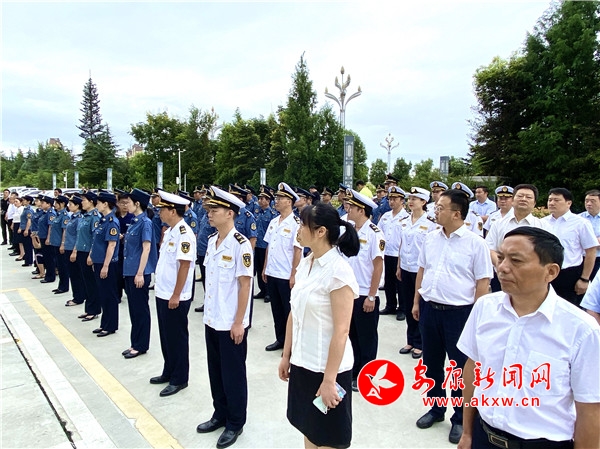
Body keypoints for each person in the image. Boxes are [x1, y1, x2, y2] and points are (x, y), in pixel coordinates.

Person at [457, 227, 600, 449]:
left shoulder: (581, 330)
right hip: (484, 436)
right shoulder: (485, 307)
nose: (502, 268)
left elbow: (589, 409)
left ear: (550, 272)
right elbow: (472, 369)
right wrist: (467, 432)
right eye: (501, 258)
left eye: (516, 261)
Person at [412, 188, 493, 445]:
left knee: (459, 368)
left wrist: (477, 318)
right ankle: (436, 408)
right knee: (431, 363)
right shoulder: (431, 238)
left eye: (440, 208)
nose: (435, 211)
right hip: (430, 309)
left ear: (456, 213)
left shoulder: (476, 244)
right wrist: (416, 301)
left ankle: (459, 418)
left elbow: (483, 282)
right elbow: (422, 270)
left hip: (459, 314)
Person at [279, 202, 360, 449]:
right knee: (309, 429)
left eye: (303, 225)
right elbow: (294, 313)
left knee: (330, 438)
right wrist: (286, 355)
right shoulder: (307, 263)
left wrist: (329, 381)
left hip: (327, 370)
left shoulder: (338, 272)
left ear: (321, 231)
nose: (298, 230)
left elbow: (342, 331)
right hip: (303, 363)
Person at [195, 186, 253, 449]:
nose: (209, 213)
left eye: (214, 209)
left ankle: (235, 422)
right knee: (216, 371)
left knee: (233, 374)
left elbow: (245, 285)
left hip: (231, 322)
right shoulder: (211, 241)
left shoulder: (241, 245)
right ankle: (220, 413)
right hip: (212, 319)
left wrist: (239, 322)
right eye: (209, 209)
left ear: (229, 213)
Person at [149, 190, 196, 397]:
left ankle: (179, 378)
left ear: (173, 211)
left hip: (175, 296)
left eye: (163, 209)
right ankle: (168, 370)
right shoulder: (169, 231)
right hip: (163, 292)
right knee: (166, 336)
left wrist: (176, 295)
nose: (159, 212)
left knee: (177, 338)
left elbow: (184, 266)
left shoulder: (184, 234)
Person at [344, 188, 385, 392]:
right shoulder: (349, 230)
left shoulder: (375, 233)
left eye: (351, 207)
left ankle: (367, 375)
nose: (348, 209)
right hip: (349, 291)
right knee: (351, 334)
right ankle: (354, 371)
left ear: (361, 210)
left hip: (365, 294)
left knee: (367, 338)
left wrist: (371, 296)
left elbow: (378, 266)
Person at [396, 187, 436, 359]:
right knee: (407, 304)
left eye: (415, 198)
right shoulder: (405, 220)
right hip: (406, 267)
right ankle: (410, 339)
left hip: (421, 270)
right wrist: (398, 266)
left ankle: (420, 343)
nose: (410, 201)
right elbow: (401, 244)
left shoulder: (431, 223)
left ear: (424, 202)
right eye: (409, 198)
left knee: (419, 305)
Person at [262, 182, 303, 352]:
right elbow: (269, 247)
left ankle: (291, 345)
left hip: (286, 275)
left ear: (289, 201)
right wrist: (265, 268)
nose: (276, 201)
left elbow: (298, 251)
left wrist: (294, 275)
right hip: (273, 272)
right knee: (276, 310)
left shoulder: (296, 223)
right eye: (276, 198)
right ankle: (280, 339)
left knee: (289, 312)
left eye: (280, 198)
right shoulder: (274, 221)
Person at [543, 187, 598, 306]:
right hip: (545, 273)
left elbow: (591, 252)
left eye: (556, 200)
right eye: (550, 200)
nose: (551, 203)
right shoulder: (542, 222)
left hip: (570, 275)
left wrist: (584, 279)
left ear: (568, 203)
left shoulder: (581, 223)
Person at [122, 189, 157, 358]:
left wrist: (140, 273)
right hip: (130, 271)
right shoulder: (134, 221)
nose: (125, 205)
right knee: (133, 310)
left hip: (139, 272)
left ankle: (141, 345)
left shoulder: (145, 223)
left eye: (128, 202)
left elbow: (146, 248)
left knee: (140, 310)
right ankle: (134, 342)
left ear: (137, 204)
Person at [88, 191, 120, 337]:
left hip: (107, 264)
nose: (97, 205)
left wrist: (106, 265)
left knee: (109, 295)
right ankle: (104, 323)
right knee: (103, 294)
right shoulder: (103, 220)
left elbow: (111, 245)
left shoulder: (112, 222)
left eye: (99, 203)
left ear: (106, 204)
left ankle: (110, 325)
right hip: (99, 262)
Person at [378, 186, 409, 319]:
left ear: (402, 201)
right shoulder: (386, 216)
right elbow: (379, 233)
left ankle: (402, 308)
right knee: (389, 281)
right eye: (390, 199)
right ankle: (390, 305)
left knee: (400, 283)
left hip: (399, 254)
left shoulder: (406, 217)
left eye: (395, 199)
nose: (391, 201)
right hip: (387, 253)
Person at [71, 191, 101, 321]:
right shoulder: (85, 216)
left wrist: (91, 254)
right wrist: (75, 250)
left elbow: (95, 237)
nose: (82, 202)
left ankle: (94, 310)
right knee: (86, 282)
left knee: (91, 282)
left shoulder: (95, 216)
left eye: (84, 200)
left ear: (91, 202)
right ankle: (88, 308)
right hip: (81, 251)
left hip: (88, 252)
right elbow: (79, 236)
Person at [253, 186, 277, 301]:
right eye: (259, 198)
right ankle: (262, 290)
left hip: (265, 245)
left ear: (268, 201)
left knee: (265, 267)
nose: (260, 200)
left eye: (262, 199)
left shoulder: (272, 214)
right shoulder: (257, 212)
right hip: (257, 245)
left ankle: (268, 292)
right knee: (258, 268)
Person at [64, 196, 86, 307]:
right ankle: (78, 295)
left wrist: (74, 251)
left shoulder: (79, 218)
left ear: (77, 205)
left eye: (71, 204)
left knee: (76, 275)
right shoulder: (72, 217)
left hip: (74, 248)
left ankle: (78, 297)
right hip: (68, 247)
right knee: (73, 274)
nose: (69, 206)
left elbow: (79, 236)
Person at [49, 195, 70, 294]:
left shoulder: (65, 215)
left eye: (56, 203)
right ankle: (60, 285)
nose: (55, 205)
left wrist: (62, 244)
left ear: (62, 204)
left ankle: (64, 286)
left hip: (59, 243)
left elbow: (64, 231)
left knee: (63, 266)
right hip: (55, 243)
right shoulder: (58, 214)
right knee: (59, 265)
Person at [580, 189, 600, 280]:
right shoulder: (578, 219)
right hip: (582, 259)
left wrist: (587, 242)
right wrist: (595, 242)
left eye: (592, 201)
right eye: (586, 201)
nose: (588, 204)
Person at [38, 195, 57, 284]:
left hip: (46, 238)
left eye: (43, 203)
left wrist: (48, 238)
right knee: (46, 257)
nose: (41, 204)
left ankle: (50, 276)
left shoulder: (51, 213)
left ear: (49, 204)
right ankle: (48, 275)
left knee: (49, 258)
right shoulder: (44, 212)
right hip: (42, 237)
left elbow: (51, 226)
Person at [18, 195, 34, 268]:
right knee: (25, 245)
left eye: (24, 200)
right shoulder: (25, 209)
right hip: (23, 228)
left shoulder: (28, 210)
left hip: (27, 229)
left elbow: (29, 220)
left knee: (28, 246)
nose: (23, 201)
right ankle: (27, 259)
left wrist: (27, 230)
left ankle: (29, 261)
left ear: (28, 201)